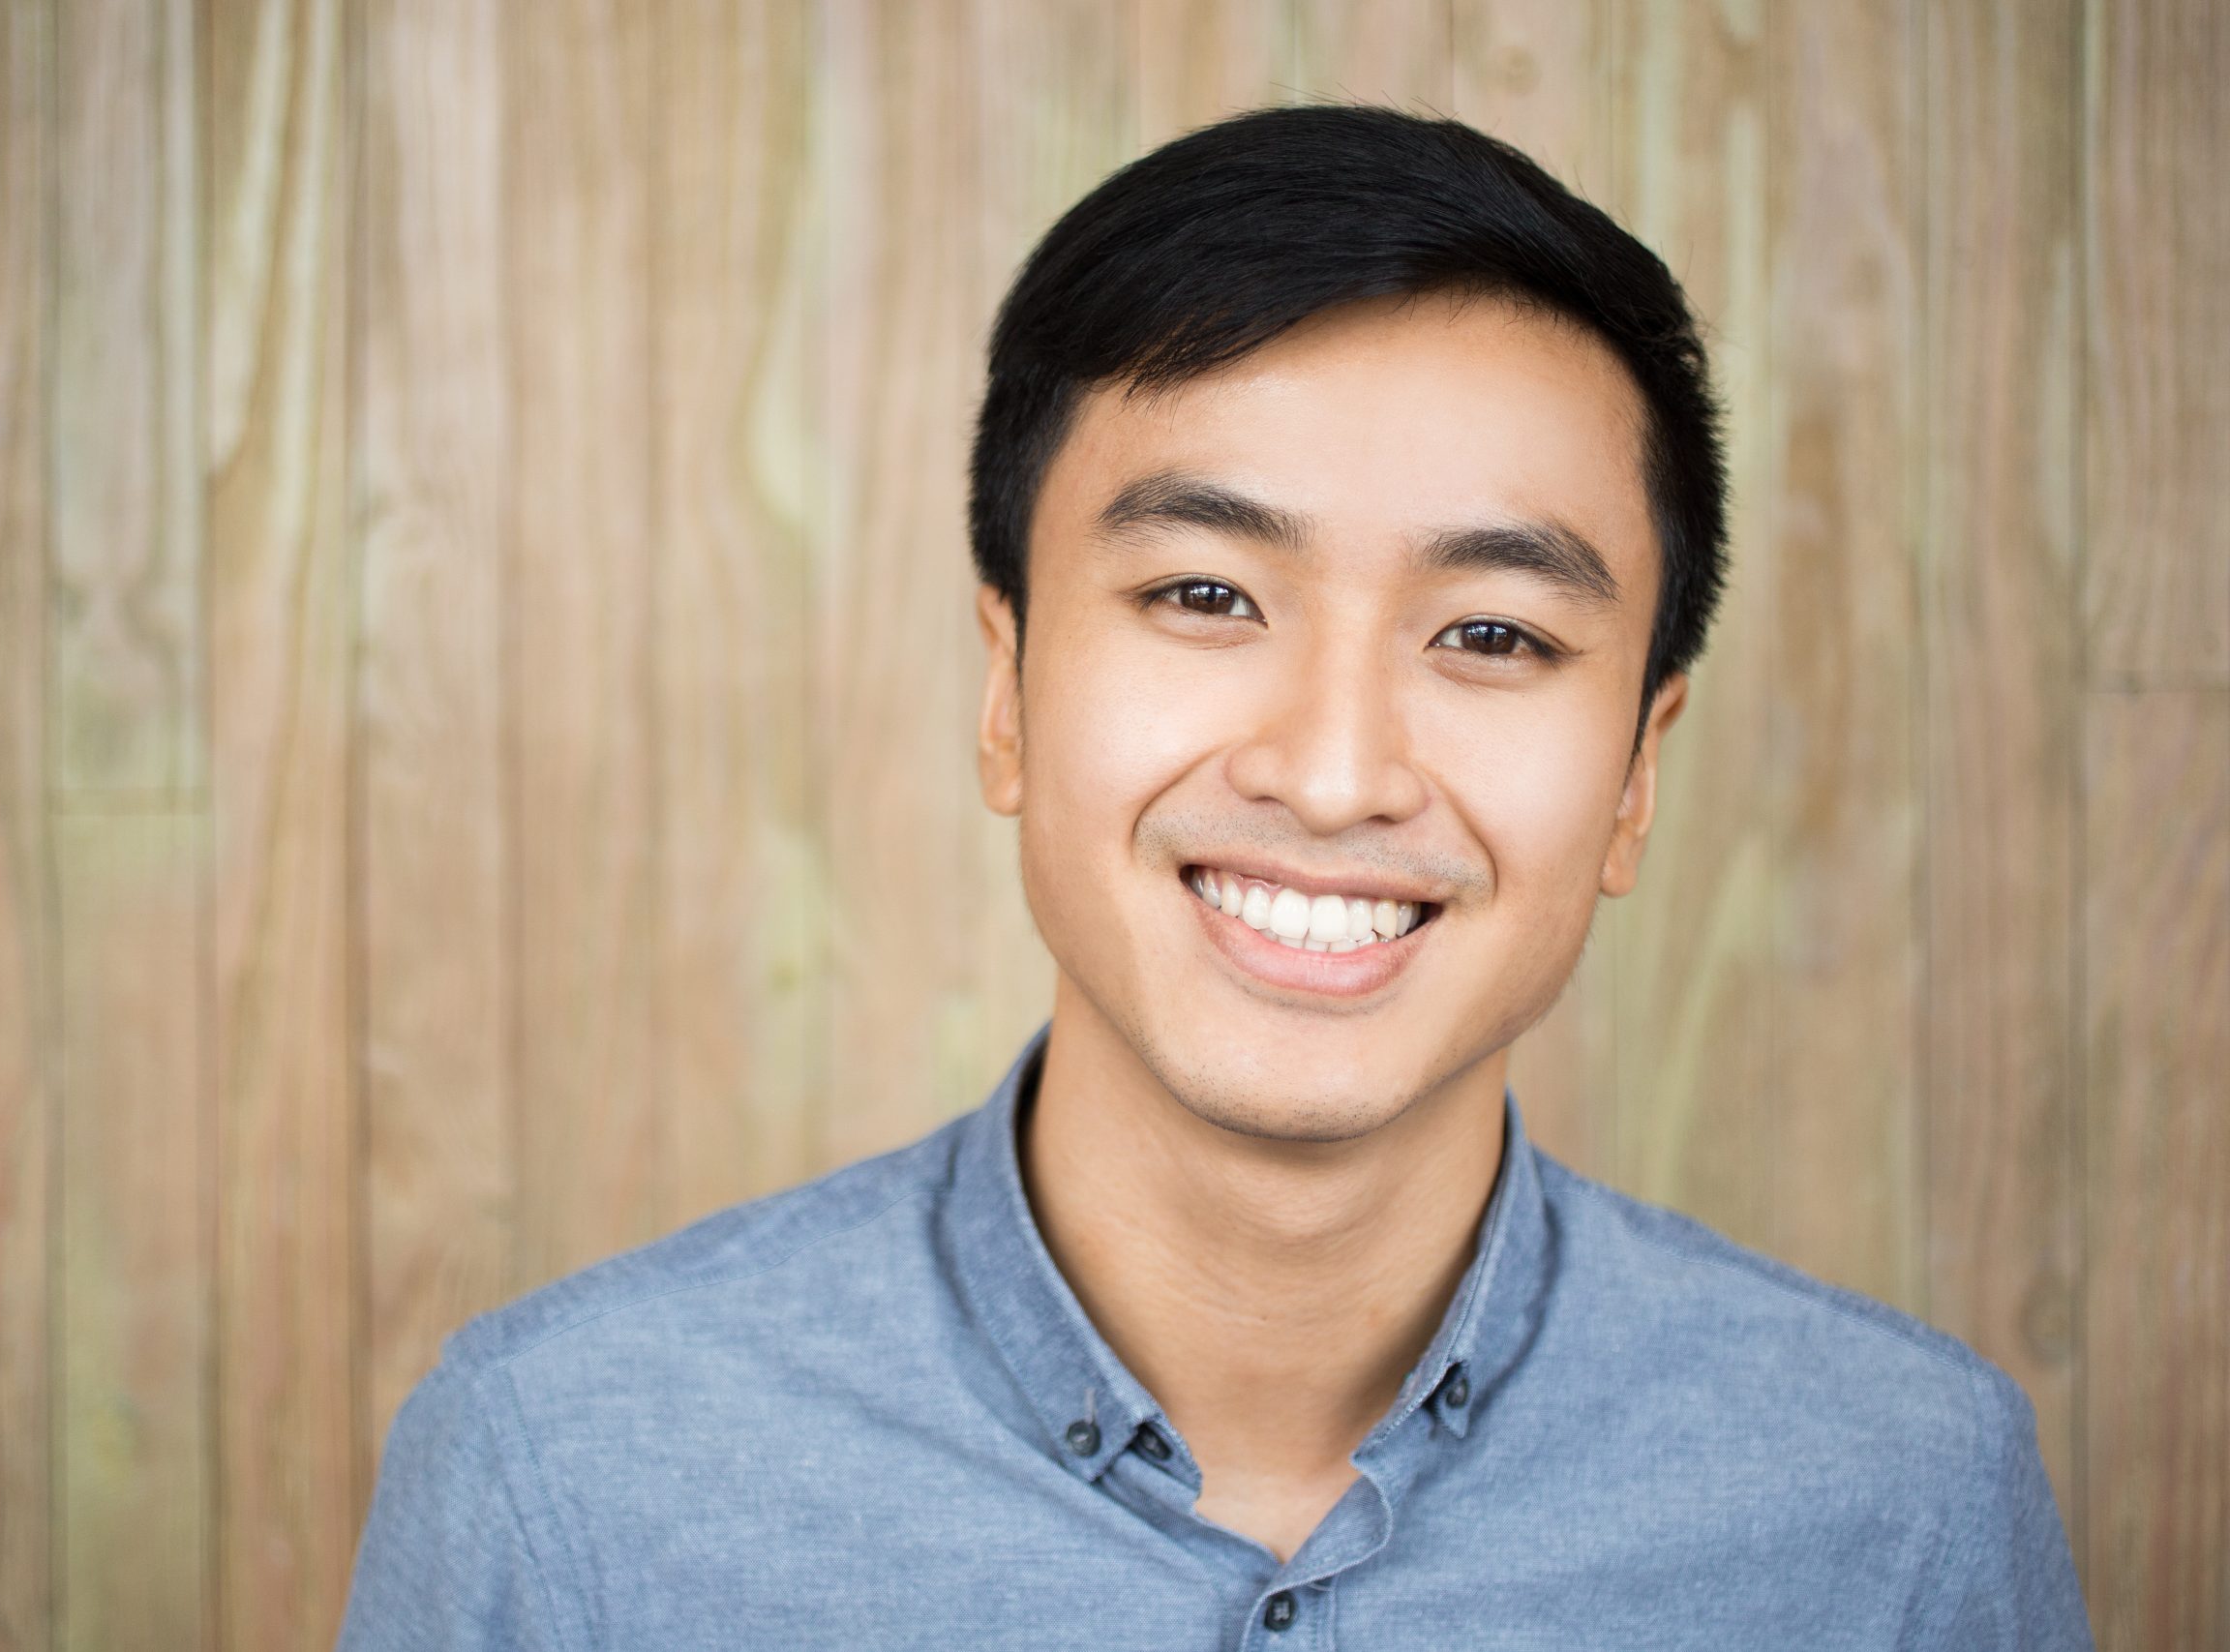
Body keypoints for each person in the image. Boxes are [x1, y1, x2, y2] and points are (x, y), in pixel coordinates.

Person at [336, 104, 2092, 1649]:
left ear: (1638, 771)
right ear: (1008, 688)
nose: (1332, 774)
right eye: (1205, 596)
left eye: (1490, 630)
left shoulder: (1903, 1511)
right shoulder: (565, 1475)